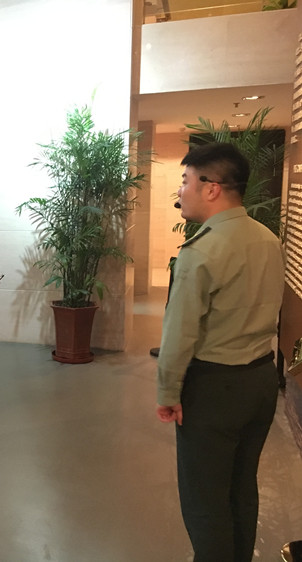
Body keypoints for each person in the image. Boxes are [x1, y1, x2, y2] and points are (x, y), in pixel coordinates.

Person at [155, 143, 284, 562]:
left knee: (205, 500)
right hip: (262, 380)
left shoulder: (201, 251)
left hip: (214, 388)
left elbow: (180, 333)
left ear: (211, 188)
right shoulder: (267, 239)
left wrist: (168, 393)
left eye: (186, 181)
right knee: (241, 488)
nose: (181, 191)